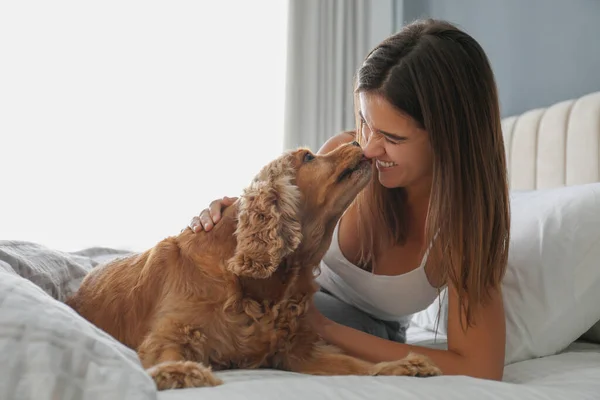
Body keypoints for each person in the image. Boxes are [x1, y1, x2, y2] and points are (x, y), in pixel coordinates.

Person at [189, 18, 510, 381]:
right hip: (286, 298)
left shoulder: (462, 232)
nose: (368, 149)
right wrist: (232, 221)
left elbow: (480, 367)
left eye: (393, 137)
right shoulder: (345, 157)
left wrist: (322, 327)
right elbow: (269, 245)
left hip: (354, 330)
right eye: (364, 122)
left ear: (450, 138)